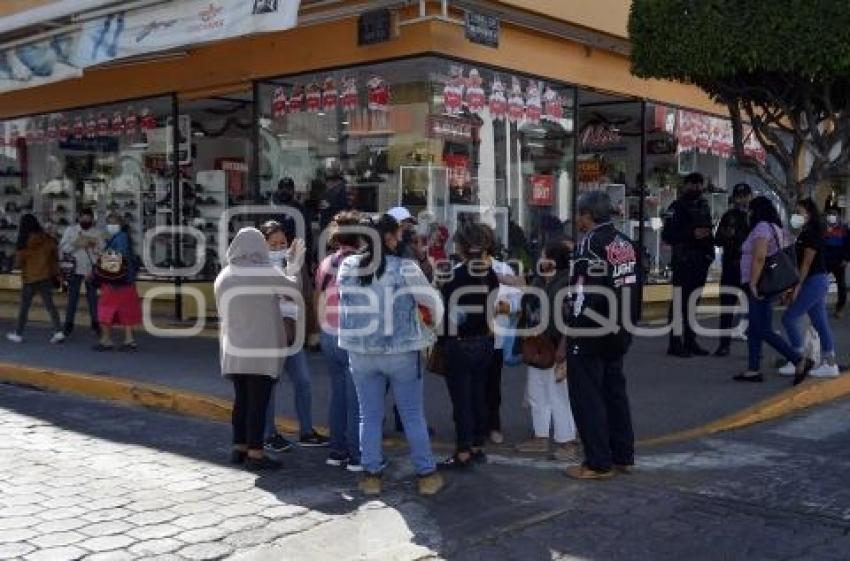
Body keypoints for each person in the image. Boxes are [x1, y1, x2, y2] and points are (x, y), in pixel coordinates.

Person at [338, 214, 445, 496]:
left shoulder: (346, 266)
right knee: (412, 415)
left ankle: (371, 475)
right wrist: (433, 326)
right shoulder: (405, 268)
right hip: (401, 350)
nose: (400, 239)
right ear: (387, 237)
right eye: (397, 234)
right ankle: (426, 475)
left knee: (369, 416)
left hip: (360, 352)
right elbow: (431, 302)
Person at [215, 227, 303, 470]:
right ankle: (255, 453)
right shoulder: (264, 272)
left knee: (241, 400)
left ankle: (239, 447)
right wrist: (293, 268)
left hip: (233, 349)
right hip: (261, 351)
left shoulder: (223, 275)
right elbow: (293, 291)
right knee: (258, 403)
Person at [564, 191, 637, 480]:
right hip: (619, 328)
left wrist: (571, 326)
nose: (578, 219)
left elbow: (581, 293)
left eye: (580, 213)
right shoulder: (625, 243)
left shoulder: (589, 246)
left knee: (588, 397)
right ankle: (623, 455)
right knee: (614, 393)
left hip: (591, 331)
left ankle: (597, 462)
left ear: (588, 215)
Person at [258, 221, 328, 452]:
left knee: (304, 382)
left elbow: (304, 295)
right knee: (269, 386)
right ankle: (269, 434)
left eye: (282, 243)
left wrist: (311, 330)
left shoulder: (293, 263)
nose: (279, 247)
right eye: (273, 244)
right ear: (263, 245)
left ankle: (306, 431)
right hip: (269, 334)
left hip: (293, 333)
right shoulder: (258, 268)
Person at [438, 223, 499, 469]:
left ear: (462, 247)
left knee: (461, 400)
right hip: (485, 341)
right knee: (478, 395)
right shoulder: (490, 274)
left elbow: (447, 314)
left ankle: (463, 451)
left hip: (460, 343)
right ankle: (476, 446)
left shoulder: (455, 275)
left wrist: (441, 341)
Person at [736, 196, 811, 384]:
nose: (748, 213)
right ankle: (753, 369)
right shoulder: (776, 228)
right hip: (768, 284)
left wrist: (752, 283)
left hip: (760, 284)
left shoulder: (762, 227)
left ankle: (797, 359)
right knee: (755, 328)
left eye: (751, 209)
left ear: (757, 211)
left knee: (762, 329)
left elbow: (760, 257)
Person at [515, 239, 577, 460]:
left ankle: (567, 441)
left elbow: (572, 319)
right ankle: (540, 437)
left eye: (544, 256)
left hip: (556, 345)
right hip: (537, 344)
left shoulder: (566, 284)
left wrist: (563, 348)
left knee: (559, 394)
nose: (540, 260)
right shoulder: (540, 281)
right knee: (537, 392)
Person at [315, 210, 363, 471]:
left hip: (329, 334)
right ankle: (356, 455)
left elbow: (319, 298)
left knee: (338, 396)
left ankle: (337, 451)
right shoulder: (362, 263)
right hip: (352, 335)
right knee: (356, 398)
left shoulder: (326, 263)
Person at [779, 199, 839, 380]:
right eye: (795, 212)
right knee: (820, 323)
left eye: (799, 212)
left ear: (809, 214)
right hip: (815, 281)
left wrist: (796, 287)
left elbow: (806, 264)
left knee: (789, 318)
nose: (795, 215)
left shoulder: (812, 234)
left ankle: (798, 360)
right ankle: (830, 364)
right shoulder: (806, 232)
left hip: (814, 281)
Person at [662, 172, 715, 357]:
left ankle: (690, 340)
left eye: (700, 185)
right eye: (693, 185)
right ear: (686, 186)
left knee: (694, 302)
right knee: (679, 303)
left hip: (700, 260)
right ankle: (675, 343)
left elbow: (709, 231)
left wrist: (710, 254)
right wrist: (691, 234)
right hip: (683, 260)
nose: (697, 189)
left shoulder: (704, 205)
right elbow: (667, 236)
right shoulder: (676, 207)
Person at [485, 227, 524, 445]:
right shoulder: (461, 269)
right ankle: (470, 427)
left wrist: (505, 306)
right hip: (467, 339)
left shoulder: (503, 269)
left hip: (497, 338)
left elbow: (520, 301)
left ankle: (493, 426)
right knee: (468, 386)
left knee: (492, 385)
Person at [6, 213, 64, 344]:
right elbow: (55, 250)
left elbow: (17, 263)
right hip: (45, 276)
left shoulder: (24, 241)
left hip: (30, 278)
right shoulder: (45, 238)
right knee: (50, 306)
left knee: (24, 307)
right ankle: (58, 331)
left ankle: (18, 333)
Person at [93, 213, 142, 351]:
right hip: (126, 280)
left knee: (105, 309)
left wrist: (100, 254)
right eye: (109, 222)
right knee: (126, 309)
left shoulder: (119, 238)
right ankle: (129, 339)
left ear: (120, 224)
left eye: (113, 223)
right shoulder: (123, 237)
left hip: (114, 280)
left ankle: (106, 339)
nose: (111, 226)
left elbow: (117, 258)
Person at [713, 183, 752, 356]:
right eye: (739, 196)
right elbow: (717, 240)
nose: (742, 199)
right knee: (727, 308)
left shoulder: (755, 216)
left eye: (745, 195)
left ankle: (754, 348)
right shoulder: (729, 216)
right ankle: (724, 345)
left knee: (753, 309)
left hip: (750, 269)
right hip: (731, 267)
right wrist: (727, 235)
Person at [59, 207, 103, 337]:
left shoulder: (97, 232)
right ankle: (68, 324)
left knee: (93, 298)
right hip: (74, 268)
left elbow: (102, 250)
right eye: (83, 217)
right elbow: (63, 248)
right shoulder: (71, 230)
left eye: (88, 218)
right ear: (78, 218)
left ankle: (95, 324)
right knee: (72, 298)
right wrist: (76, 244)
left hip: (91, 268)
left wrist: (94, 247)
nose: (86, 220)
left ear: (92, 219)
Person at [823, 207, 850, 318]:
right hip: (825, 261)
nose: (831, 216)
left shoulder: (844, 229)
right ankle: (818, 307)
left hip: (839, 261)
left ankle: (840, 308)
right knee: (820, 284)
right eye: (829, 214)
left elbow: (849, 245)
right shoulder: (823, 228)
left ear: (838, 216)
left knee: (841, 285)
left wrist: (846, 259)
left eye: (833, 214)